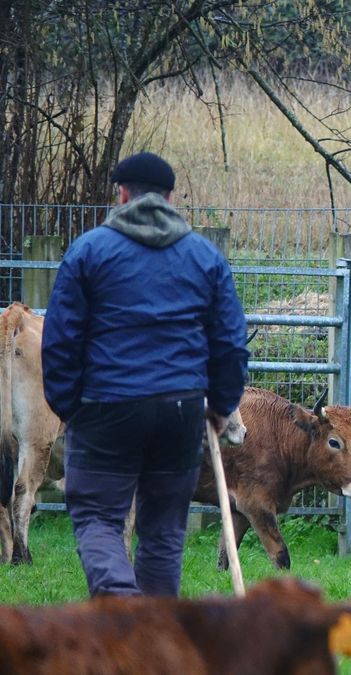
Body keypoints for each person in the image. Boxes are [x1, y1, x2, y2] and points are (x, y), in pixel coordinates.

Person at [41, 152, 248, 597]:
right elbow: (230, 342)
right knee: (163, 531)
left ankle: (121, 606)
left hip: (105, 405)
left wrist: (70, 406)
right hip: (181, 408)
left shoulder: (89, 251)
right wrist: (219, 405)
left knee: (97, 517)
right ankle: (152, 642)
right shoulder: (204, 257)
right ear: (171, 198)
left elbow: (60, 340)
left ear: (121, 194)